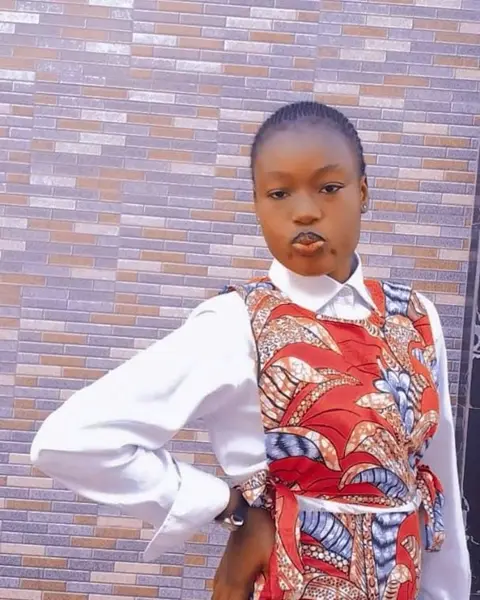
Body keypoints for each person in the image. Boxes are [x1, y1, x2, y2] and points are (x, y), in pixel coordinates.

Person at [30, 101, 471, 600]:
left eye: (329, 187)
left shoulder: (414, 317)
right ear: (258, 204)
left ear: (363, 192)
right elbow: (71, 440)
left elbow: (436, 473)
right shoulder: (236, 322)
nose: (304, 211)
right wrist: (226, 506)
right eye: (279, 193)